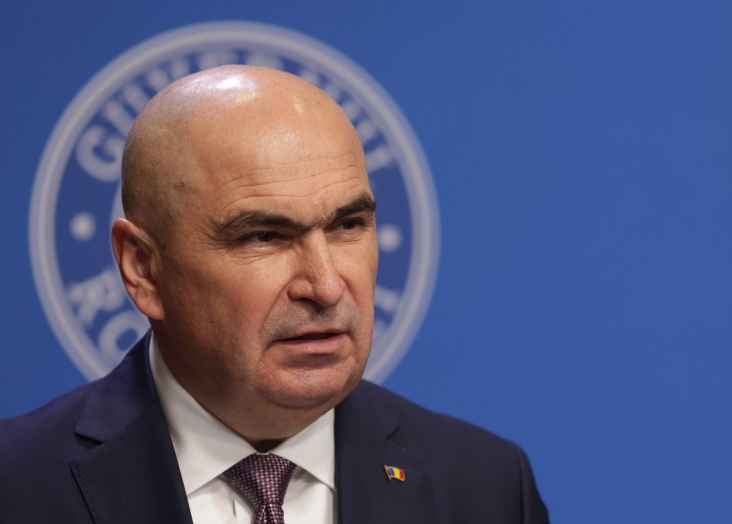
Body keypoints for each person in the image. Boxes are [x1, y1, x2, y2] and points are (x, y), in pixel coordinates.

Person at [0, 65, 549, 523]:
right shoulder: (16, 486)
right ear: (144, 269)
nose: (326, 286)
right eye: (264, 236)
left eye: (348, 226)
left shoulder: (488, 487)